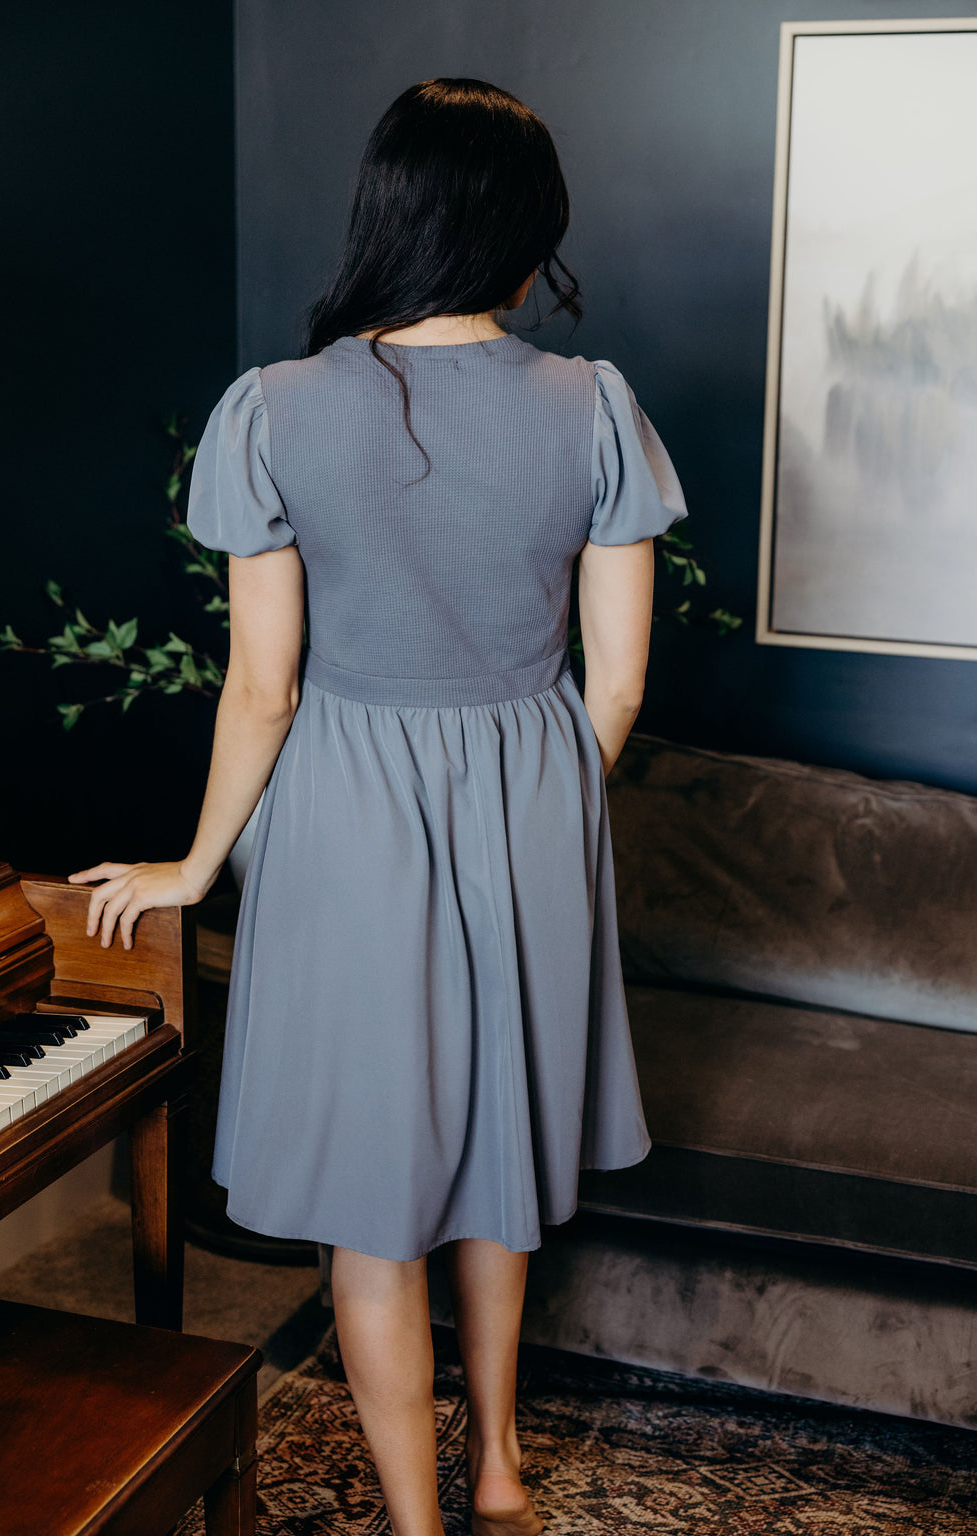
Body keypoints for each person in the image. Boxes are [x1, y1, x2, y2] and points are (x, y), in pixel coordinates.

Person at [67, 76, 686, 1536]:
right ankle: (504, 1474)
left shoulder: (274, 412)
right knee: (494, 1171)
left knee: (374, 1197)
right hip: (533, 828)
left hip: (344, 833)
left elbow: (265, 689)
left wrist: (195, 866)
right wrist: (525, 806)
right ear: (528, 232)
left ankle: (416, 1522)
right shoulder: (592, 406)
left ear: (383, 214)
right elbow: (616, 691)